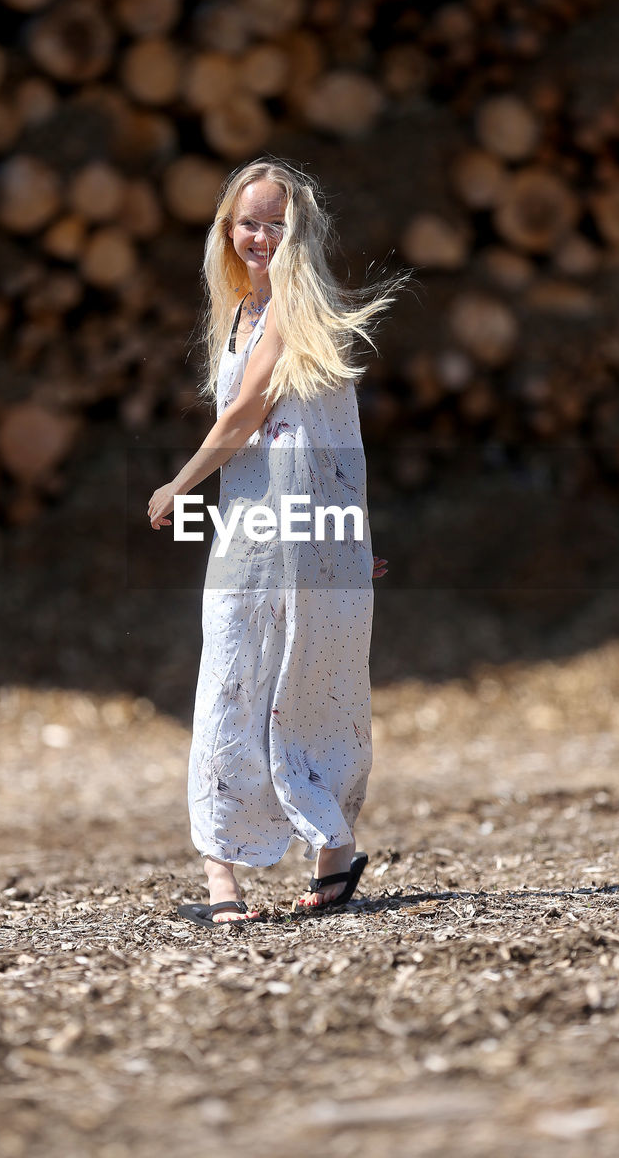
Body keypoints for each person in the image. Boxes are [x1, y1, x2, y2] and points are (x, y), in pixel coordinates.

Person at [147, 158, 407, 927]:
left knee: (313, 688)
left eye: (275, 223)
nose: (259, 236)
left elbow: (247, 419)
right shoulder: (238, 314)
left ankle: (333, 854)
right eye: (248, 221)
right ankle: (222, 879)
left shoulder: (296, 311)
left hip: (303, 537)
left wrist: (178, 483)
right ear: (226, 229)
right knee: (231, 682)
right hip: (257, 532)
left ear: (298, 234)